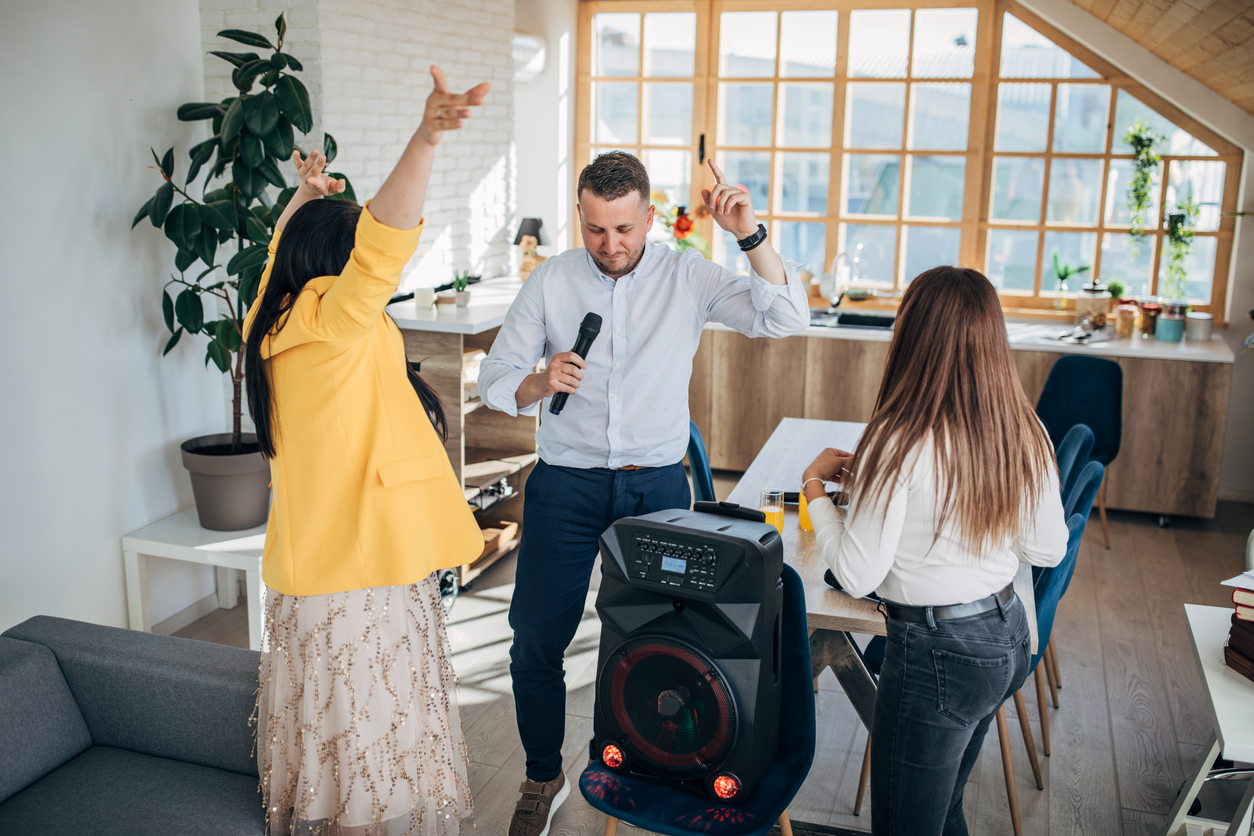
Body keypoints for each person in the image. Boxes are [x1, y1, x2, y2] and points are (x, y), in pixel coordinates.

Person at [477, 151, 810, 836]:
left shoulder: (687, 275)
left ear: (649, 217)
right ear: (581, 216)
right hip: (565, 487)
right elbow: (496, 376)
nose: (611, 245)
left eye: (625, 229)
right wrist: (538, 382)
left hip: (658, 486)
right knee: (534, 641)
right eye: (597, 230)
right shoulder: (551, 282)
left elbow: (785, 318)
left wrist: (751, 236)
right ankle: (544, 775)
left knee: (676, 642)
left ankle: (665, 765)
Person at [243, 66, 490, 836]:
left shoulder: (273, 318)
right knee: (372, 740)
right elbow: (382, 250)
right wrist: (424, 139)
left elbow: (277, 256)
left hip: (313, 570)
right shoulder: (336, 320)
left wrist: (303, 201)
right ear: (336, 268)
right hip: (362, 570)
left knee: (336, 734)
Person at [800, 266, 1068, 836]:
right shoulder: (1022, 429)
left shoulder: (897, 438)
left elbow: (853, 571)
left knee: (904, 825)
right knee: (943, 809)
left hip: (937, 656)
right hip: (1005, 638)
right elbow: (1045, 548)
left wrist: (815, 491)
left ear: (912, 337)